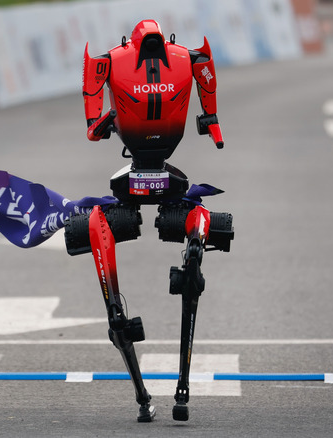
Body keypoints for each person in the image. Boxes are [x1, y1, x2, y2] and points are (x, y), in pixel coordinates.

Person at [72, 19, 232, 423]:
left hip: (128, 184)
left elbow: (93, 112)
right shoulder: (190, 56)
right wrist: (210, 122)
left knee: (95, 222)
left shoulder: (108, 59)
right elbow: (207, 79)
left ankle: (116, 312)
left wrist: (100, 123)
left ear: (132, 43)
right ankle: (195, 242)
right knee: (197, 213)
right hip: (172, 182)